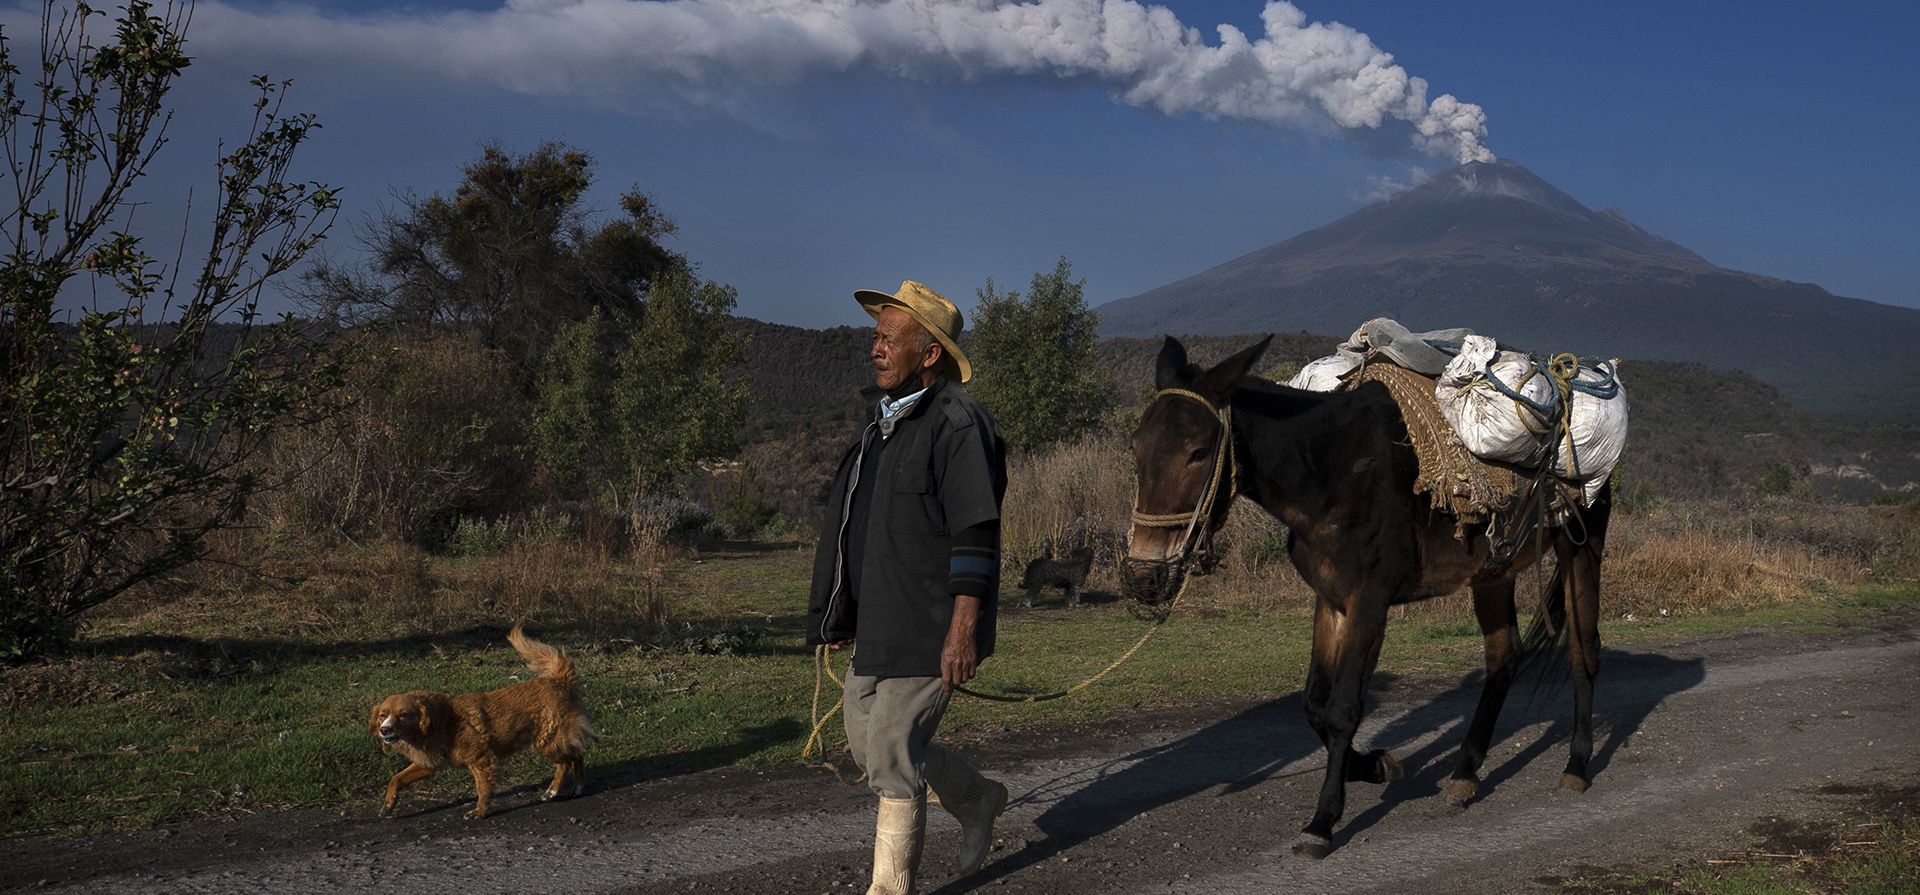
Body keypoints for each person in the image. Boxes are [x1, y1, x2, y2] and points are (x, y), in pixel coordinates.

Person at [806, 279, 1010, 895]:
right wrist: (844, 614)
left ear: (928, 354)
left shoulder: (957, 423)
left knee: (893, 751)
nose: (876, 348)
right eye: (875, 337)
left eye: (889, 340)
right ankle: (976, 799)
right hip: (880, 621)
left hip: (931, 622)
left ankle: (889, 889)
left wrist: (962, 629)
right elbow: (862, 531)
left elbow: (976, 531)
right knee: (868, 746)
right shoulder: (882, 427)